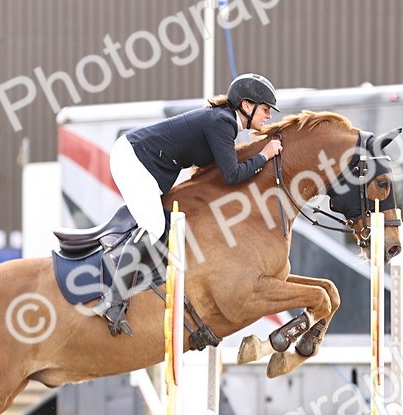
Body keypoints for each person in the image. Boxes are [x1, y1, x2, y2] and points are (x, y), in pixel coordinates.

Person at [98, 73, 284, 335]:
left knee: (160, 227)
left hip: (144, 163)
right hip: (133, 160)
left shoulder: (223, 122)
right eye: (265, 109)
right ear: (246, 105)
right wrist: (265, 155)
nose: (268, 116)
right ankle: (113, 302)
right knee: (153, 227)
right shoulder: (223, 123)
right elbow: (232, 175)